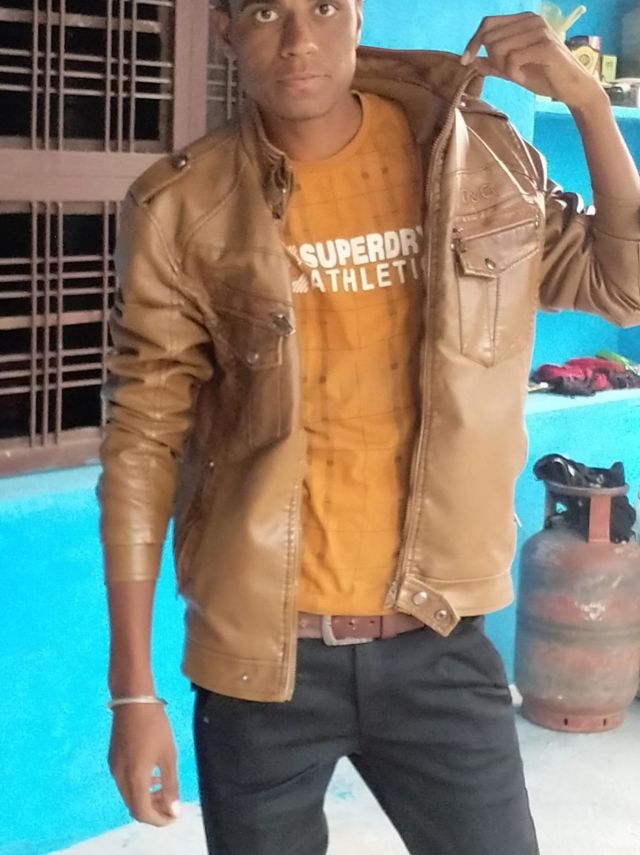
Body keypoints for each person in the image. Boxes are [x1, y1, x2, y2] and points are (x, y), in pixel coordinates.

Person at [100, 2, 640, 853]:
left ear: (355, 14)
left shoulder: (479, 160)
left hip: (439, 636)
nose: (298, 41)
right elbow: (141, 444)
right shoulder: (183, 207)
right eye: (267, 12)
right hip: (262, 659)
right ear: (227, 30)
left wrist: (587, 103)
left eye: (322, 7)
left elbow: (624, 287)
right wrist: (133, 692)